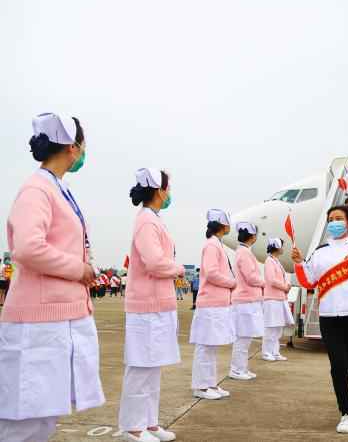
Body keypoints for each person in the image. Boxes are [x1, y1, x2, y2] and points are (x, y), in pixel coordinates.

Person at [0, 112, 105, 442]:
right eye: (83, 145)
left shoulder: (57, 187)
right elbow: (28, 248)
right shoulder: (37, 190)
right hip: (38, 323)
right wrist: (80, 270)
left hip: (57, 321)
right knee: (26, 421)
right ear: (72, 148)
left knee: (44, 417)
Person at [291, 205, 348, 433]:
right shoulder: (320, 251)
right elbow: (309, 282)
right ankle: (345, 412)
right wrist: (299, 262)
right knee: (338, 365)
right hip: (329, 316)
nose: (334, 222)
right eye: (331, 219)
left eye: (339, 218)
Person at [118, 168, 183, 442]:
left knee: (153, 366)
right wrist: (179, 268)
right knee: (141, 366)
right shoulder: (146, 221)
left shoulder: (154, 219)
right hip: (146, 305)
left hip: (159, 304)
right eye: (167, 188)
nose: (169, 193)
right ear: (159, 190)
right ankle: (132, 427)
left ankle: (150, 422)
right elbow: (154, 262)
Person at [189, 209, 237, 401]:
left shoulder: (216, 244)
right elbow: (211, 273)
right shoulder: (212, 246)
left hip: (217, 304)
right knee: (205, 346)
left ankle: (210, 384)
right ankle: (200, 386)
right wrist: (232, 283)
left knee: (212, 347)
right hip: (210, 303)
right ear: (223, 226)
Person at [229, 221, 265, 380]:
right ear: (253, 236)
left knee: (246, 337)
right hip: (245, 300)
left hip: (247, 299)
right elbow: (251, 277)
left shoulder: (244, 251)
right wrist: (263, 282)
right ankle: (237, 369)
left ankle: (241, 368)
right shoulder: (244, 253)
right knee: (242, 337)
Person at [262, 238, 294, 361]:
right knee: (270, 326)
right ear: (277, 247)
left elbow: (282, 278)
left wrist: (287, 285)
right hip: (272, 299)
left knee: (278, 327)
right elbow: (271, 280)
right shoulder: (269, 261)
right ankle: (266, 352)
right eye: (282, 246)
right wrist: (285, 286)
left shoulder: (276, 261)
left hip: (280, 298)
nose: (283, 248)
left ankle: (274, 352)